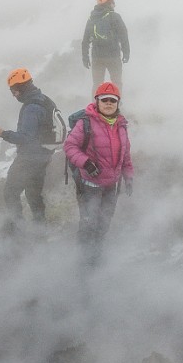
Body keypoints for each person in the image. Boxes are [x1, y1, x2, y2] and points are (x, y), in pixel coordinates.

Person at [63, 81, 133, 265]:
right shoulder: (85, 123)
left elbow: (125, 155)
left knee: (104, 221)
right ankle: (85, 260)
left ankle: (97, 253)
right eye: (104, 100)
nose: (109, 103)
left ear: (118, 103)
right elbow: (70, 146)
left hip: (112, 185)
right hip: (90, 185)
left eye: (113, 100)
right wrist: (86, 163)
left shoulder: (121, 126)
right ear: (97, 102)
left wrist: (129, 177)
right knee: (89, 222)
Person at [0, 68, 56, 230]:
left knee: (10, 192)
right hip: (44, 156)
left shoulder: (31, 108)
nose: (13, 94)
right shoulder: (45, 100)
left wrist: (3, 134)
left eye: (14, 90)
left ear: (21, 87)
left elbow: (26, 138)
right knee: (33, 194)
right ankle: (40, 228)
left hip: (29, 158)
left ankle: (17, 228)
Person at [82, 0, 130, 95]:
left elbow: (85, 39)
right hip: (113, 56)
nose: (114, 5)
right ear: (109, 3)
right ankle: (116, 104)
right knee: (116, 82)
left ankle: (95, 106)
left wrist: (85, 57)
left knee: (97, 83)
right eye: (113, 3)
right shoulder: (115, 17)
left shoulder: (92, 18)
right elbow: (123, 36)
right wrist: (126, 53)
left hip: (97, 57)